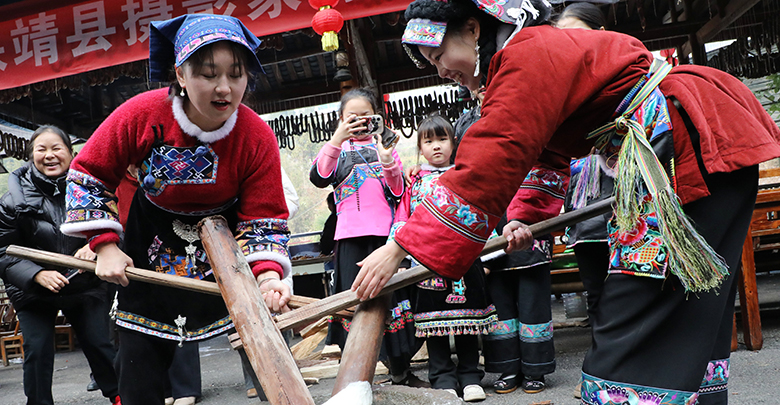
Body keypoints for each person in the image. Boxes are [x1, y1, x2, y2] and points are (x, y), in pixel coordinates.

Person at [354, 1, 780, 404]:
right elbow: (546, 159)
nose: (442, 71)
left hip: (683, 148)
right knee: (689, 300)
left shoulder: (525, 54)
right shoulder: (526, 58)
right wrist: (520, 219)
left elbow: (492, 156)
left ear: (472, 28)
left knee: (642, 303)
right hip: (698, 140)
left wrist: (399, 247)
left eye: (438, 55)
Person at [60, 14, 291, 405]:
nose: (224, 88)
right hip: (148, 244)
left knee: (267, 350)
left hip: (226, 248)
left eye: (237, 74)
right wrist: (104, 245)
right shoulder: (142, 114)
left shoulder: (256, 136)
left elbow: (264, 217)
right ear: (180, 75)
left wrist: (267, 276)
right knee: (140, 371)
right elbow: (89, 173)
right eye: (207, 73)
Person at [309, 88, 424, 387]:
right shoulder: (335, 150)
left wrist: (387, 159)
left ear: (377, 118)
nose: (359, 123)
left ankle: (401, 370)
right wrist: (337, 137)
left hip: (385, 242)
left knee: (393, 300)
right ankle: (356, 379)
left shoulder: (385, 147)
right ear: (340, 119)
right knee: (354, 303)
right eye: (351, 118)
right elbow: (320, 176)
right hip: (349, 240)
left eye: (365, 117)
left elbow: (398, 192)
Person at [0, 125, 120, 405]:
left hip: (84, 281)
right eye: (41, 149)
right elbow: (3, 250)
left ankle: (119, 396)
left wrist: (97, 246)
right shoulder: (11, 201)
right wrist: (37, 274)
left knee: (100, 343)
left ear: (70, 152)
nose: (49, 155)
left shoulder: (90, 188)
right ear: (31, 155)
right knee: (37, 348)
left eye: (57, 148)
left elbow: (116, 226)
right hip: (32, 288)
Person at [390, 115, 496, 401]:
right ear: (420, 147)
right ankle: (442, 378)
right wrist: (399, 256)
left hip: (465, 261)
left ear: (454, 143)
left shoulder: (465, 175)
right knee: (434, 328)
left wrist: (486, 258)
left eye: (442, 139)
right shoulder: (414, 182)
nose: (436, 146)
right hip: (426, 264)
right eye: (428, 141)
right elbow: (404, 218)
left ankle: (471, 377)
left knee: (466, 324)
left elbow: (480, 215)